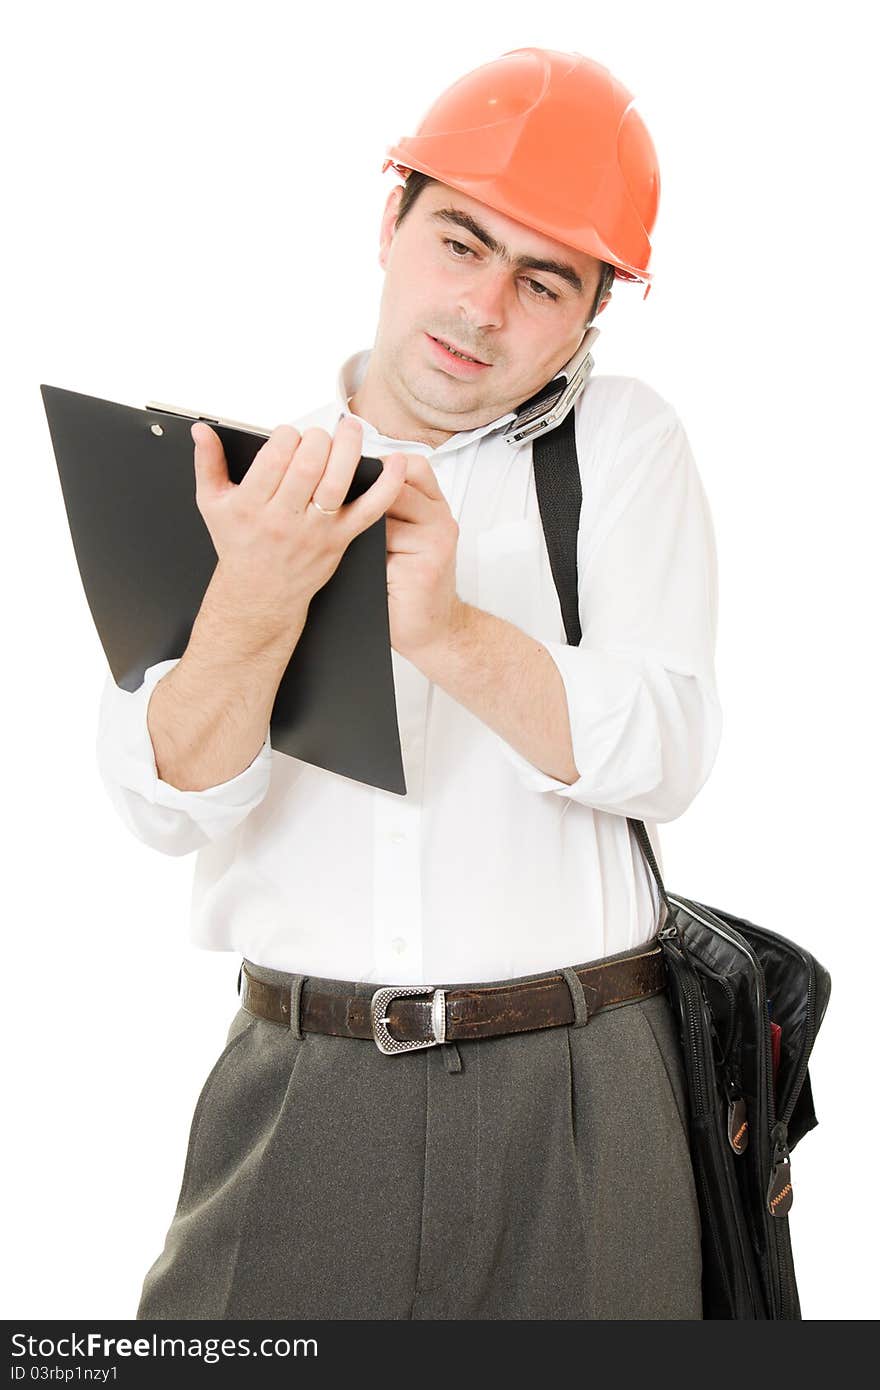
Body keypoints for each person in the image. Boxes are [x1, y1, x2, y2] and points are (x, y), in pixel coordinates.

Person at [96, 47, 722, 1320]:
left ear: (589, 314)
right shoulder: (243, 469)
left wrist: (444, 630)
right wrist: (261, 597)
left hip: (585, 1086)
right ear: (389, 222)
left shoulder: (621, 444)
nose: (483, 307)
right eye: (458, 242)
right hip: (302, 1089)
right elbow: (167, 804)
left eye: (541, 279)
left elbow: (667, 752)